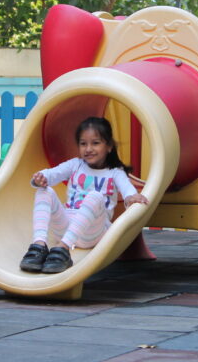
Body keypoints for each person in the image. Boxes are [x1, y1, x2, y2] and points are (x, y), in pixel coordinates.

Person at [19, 116, 149, 273]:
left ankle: (62, 250)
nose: (88, 149)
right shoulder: (75, 165)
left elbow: (128, 191)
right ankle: (39, 246)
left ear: (108, 146)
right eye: (83, 144)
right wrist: (41, 178)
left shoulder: (115, 172)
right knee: (44, 191)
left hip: (94, 232)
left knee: (95, 196)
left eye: (95, 143)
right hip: (66, 228)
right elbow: (53, 174)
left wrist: (132, 197)